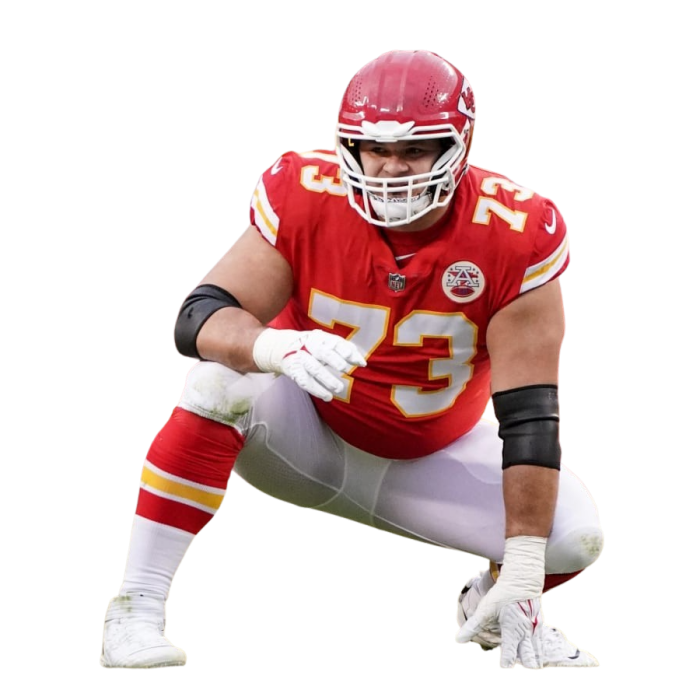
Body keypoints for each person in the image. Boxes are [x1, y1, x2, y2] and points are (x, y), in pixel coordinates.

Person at [99, 49, 604, 670]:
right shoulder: (306, 193)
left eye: (414, 150)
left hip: (428, 455)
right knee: (219, 379)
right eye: (374, 149)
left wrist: (524, 566)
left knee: (573, 537)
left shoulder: (515, 230)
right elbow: (200, 316)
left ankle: (493, 607)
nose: (391, 168)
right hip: (304, 431)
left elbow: (530, 414)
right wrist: (272, 346)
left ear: (461, 145)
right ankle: (136, 608)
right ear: (348, 144)